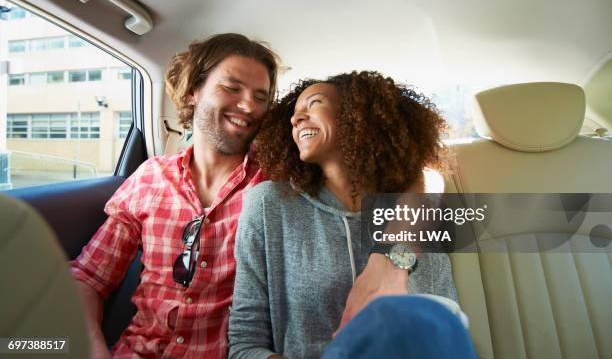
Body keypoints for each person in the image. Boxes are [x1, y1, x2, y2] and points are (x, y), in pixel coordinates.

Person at [71, 36, 416, 359]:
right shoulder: (149, 177)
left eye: (261, 97)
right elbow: (88, 277)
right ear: (194, 92)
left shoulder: (282, 179)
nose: (248, 105)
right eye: (231, 88)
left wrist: (390, 260)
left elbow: (418, 179)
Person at [228, 71, 476, 358]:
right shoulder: (268, 205)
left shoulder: (418, 206)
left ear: (359, 114)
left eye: (314, 103)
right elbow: (245, 344)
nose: (296, 119)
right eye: (294, 115)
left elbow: (447, 319)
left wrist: (393, 261)